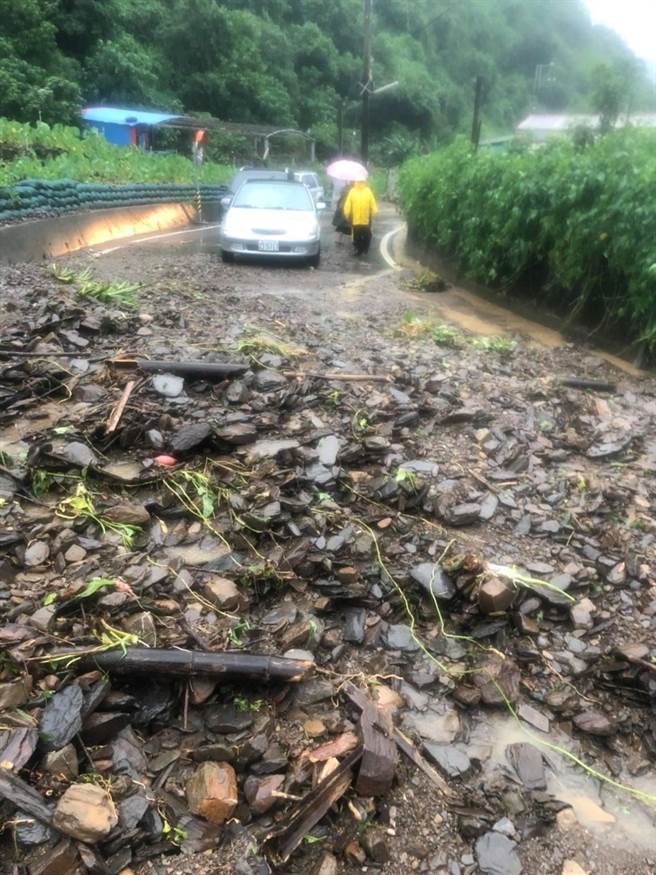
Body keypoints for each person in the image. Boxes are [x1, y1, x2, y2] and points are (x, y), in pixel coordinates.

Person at [342, 179, 378, 256]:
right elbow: (348, 203)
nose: (360, 183)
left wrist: (374, 210)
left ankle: (365, 248)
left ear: (364, 182)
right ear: (356, 182)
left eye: (362, 181)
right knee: (356, 236)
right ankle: (359, 249)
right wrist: (346, 212)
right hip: (356, 219)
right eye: (359, 181)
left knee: (367, 235)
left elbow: (372, 201)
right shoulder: (352, 191)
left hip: (366, 219)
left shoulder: (368, 191)